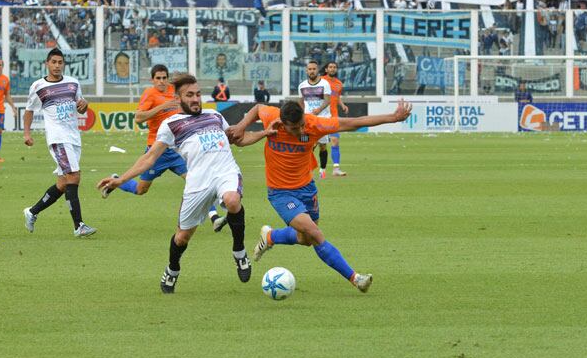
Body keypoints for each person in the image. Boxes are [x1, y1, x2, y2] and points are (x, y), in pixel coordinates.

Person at [97, 73, 276, 293]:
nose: (195, 99)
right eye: (189, 95)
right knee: (182, 237)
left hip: (225, 172)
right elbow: (150, 157)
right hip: (197, 183)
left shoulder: (214, 116)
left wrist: (265, 133)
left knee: (232, 200)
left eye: (198, 94)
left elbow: (238, 139)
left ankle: (239, 252)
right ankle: (172, 269)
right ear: (179, 98)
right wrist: (121, 180)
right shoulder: (170, 125)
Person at [226, 100, 413, 293]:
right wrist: (241, 126)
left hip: (307, 189)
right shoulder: (273, 118)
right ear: (282, 122)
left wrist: (393, 117)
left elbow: (355, 122)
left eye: (301, 125)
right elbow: (257, 109)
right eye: (294, 128)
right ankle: (355, 278)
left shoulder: (314, 124)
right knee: (315, 234)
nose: (300, 131)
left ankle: (271, 236)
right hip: (280, 193)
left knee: (305, 239)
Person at [102, 65, 226, 231]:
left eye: (164, 77)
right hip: (157, 150)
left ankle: (214, 217)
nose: (161, 81)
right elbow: (138, 118)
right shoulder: (150, 94)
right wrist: (163, 106)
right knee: (141, 189)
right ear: (152, 80)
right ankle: (117, 180)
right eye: (158, 78)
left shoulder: (175, 91)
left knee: (195, 179)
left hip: (176, 149)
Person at [22, 48, 96, 237]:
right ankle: (78, 225)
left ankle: (32, 211)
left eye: (60, 62)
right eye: (53, 62)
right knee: (74, 175)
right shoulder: (39, 86)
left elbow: (81, 106)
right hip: (57, 138)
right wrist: (27, 133)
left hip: (73, 137)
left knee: (63, 183)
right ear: (47, 64)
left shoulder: (72, 83)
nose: (57, 65)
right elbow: (29, 110)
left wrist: (84, 105)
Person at [298, 60, 332, 179]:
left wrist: (318, 109)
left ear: (317, 70)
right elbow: (301, 102)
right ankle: (306, 170)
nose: (312, 71)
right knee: (306, 145)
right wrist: (301, 117)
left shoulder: (325, 83)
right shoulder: (302, 85)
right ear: (306, 71)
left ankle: (322, 170)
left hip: (323, 120)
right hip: (308, 120)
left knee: (322, 146)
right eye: (310, 69)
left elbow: (328, 100)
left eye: (314, 69)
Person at [322, 61, 350, 177]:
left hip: (333, 116)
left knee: (335, 141)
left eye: (334, 67)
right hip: (321, 115)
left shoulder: (339, 84)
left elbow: (337, 96)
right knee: (314, 143)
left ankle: (336, 169)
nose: (332, 69)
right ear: (326, 69)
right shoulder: (321, 81)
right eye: (330, 67)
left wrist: (342, 105)